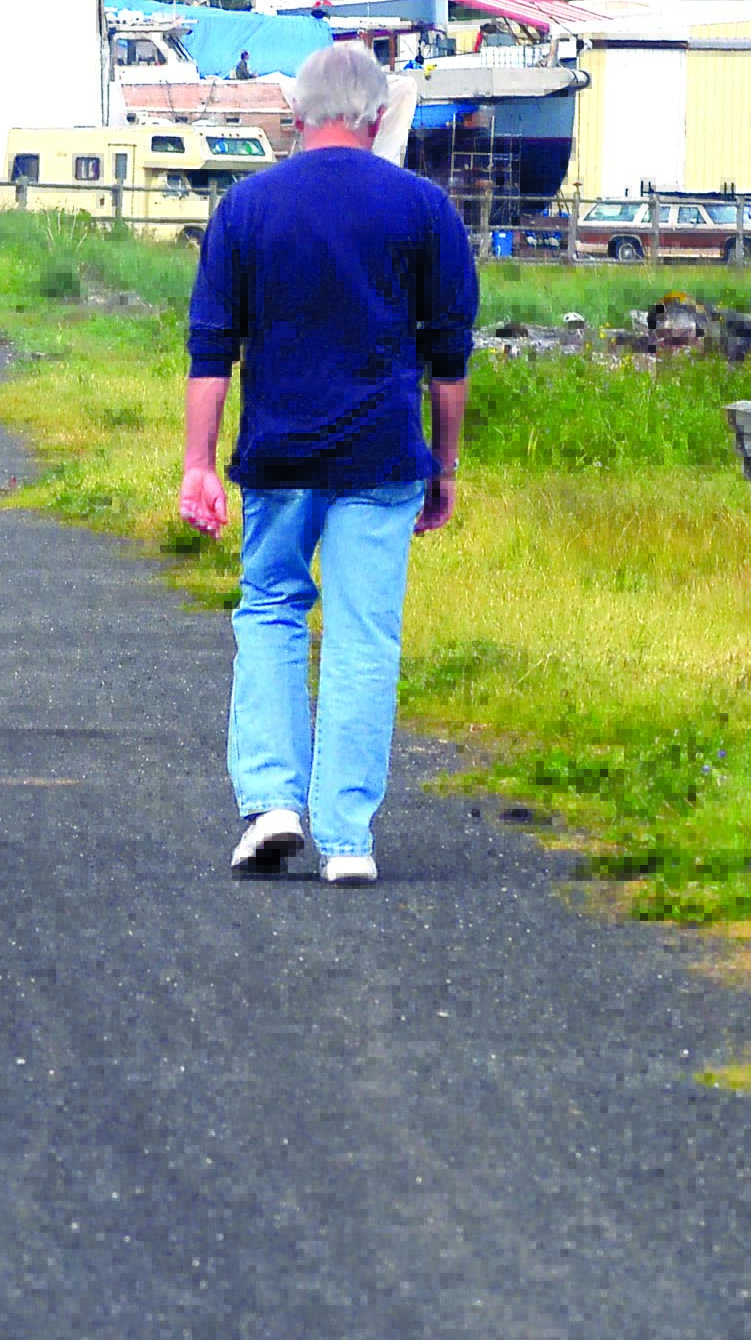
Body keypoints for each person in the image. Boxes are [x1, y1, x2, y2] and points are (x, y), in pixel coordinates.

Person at [179, 43, 476, 887]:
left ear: (297, 115)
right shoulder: (422, 209)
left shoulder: (244, 208)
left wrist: (198, 463)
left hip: (276, 455)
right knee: (362, 635)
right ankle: (348, 837)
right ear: (378, 114)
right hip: (382, 454)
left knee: (270, 610)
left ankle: (271, 802)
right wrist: (443, 465)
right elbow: (448, 358)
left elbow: (211, 350)